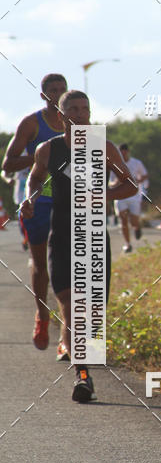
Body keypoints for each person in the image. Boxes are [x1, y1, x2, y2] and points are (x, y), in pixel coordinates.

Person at [22, 91, 136, 401]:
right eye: (72, 108)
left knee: (93, 312)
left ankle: (83, 360)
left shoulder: (104, 146)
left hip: (94, 234)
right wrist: (30, 200)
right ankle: (82, 375)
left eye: (85, 108)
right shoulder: (48, 149)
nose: (80, 113)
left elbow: (130, 185)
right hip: (61, 234)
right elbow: (35, 180)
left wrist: (103, 196)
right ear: (61, 117)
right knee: (72, 306)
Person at [2, 74, 67, 351]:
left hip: (68, 199)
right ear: (44, 95)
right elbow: (8, 163)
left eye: (63, 90)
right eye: (53, 90)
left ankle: (68, 337)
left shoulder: (80, 125)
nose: (58, 94)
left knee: (71, 266)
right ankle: (41, 313)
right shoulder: (32, 123)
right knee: (41, 263)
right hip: (36, 197)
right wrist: (44, 155)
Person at [115, 144, 149, 252]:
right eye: (121, 152)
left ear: (128, 152)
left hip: (134, 195)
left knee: (134, 221)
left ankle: (137, 227)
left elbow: (145, 175)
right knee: (123, 219)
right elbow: (110, 181)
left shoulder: (136, 163)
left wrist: (136, 182)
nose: (123, 154)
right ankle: (127, 244)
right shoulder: (115, 164)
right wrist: (114, 183)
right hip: (120, 195)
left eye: (125, 152)